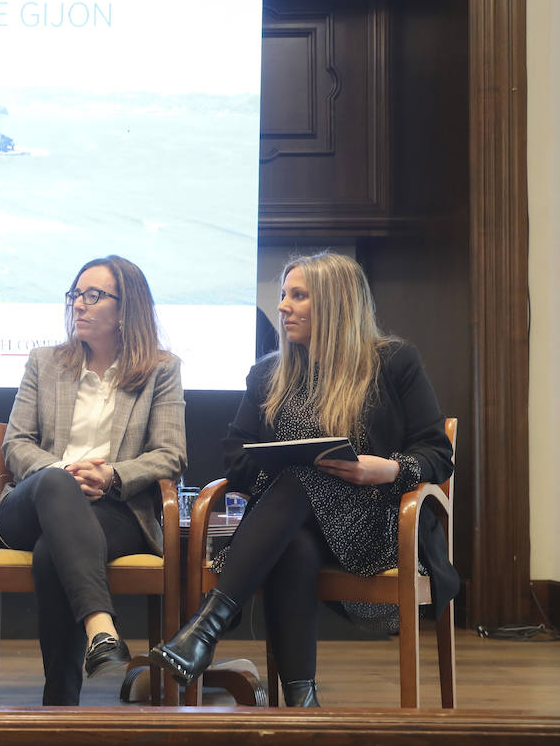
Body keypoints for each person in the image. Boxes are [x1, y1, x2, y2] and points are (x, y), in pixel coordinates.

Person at [150, 251, 458, 707]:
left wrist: (387, 468)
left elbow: (437, 451)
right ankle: (301, 704)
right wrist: (272, 462)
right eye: (282, 295)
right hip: (291, 527)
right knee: (294, 515)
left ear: (334, 303)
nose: (282, 307)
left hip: (377, 523)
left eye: (298, 296)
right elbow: (235, 455)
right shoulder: (268, 374)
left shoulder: (394, 363)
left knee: (298, 480)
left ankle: (206, 628)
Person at [0, 256, 186, 705]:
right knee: (58, 483)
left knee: (50, 553)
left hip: (112, 509)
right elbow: (17, 443)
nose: (79, 304)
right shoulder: (45, 362)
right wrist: (63, 473)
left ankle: (59, 704)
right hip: (30, 503)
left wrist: (112, 475)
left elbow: (171, 454)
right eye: (76, 294)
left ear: (126, 309)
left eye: (93, 295)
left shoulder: (161, 369)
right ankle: (101, 625)